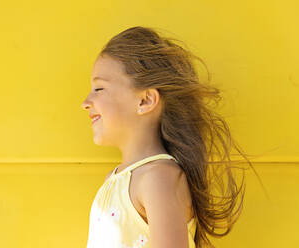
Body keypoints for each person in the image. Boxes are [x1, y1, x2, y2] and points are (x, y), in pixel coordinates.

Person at [81, 26, 262, 248]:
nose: (85, 102)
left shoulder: (158, 178)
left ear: (145, 100)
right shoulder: (116, 180)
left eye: (99, 89)